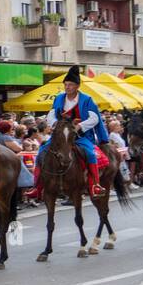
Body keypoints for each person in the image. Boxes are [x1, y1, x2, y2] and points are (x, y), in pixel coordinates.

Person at [40, 65, 109, 195]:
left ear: (77, 86)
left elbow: (94, 118)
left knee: (90, 153)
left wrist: (79, 126)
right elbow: (51, 114)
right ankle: (38, 187)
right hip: (61, 136)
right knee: (42, 152)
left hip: (80, 136)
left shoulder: (87, 100)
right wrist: (56, 124)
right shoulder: (59, 98)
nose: (67, 87)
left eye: (70, 85)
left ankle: (95, 185)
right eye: (65, 84)